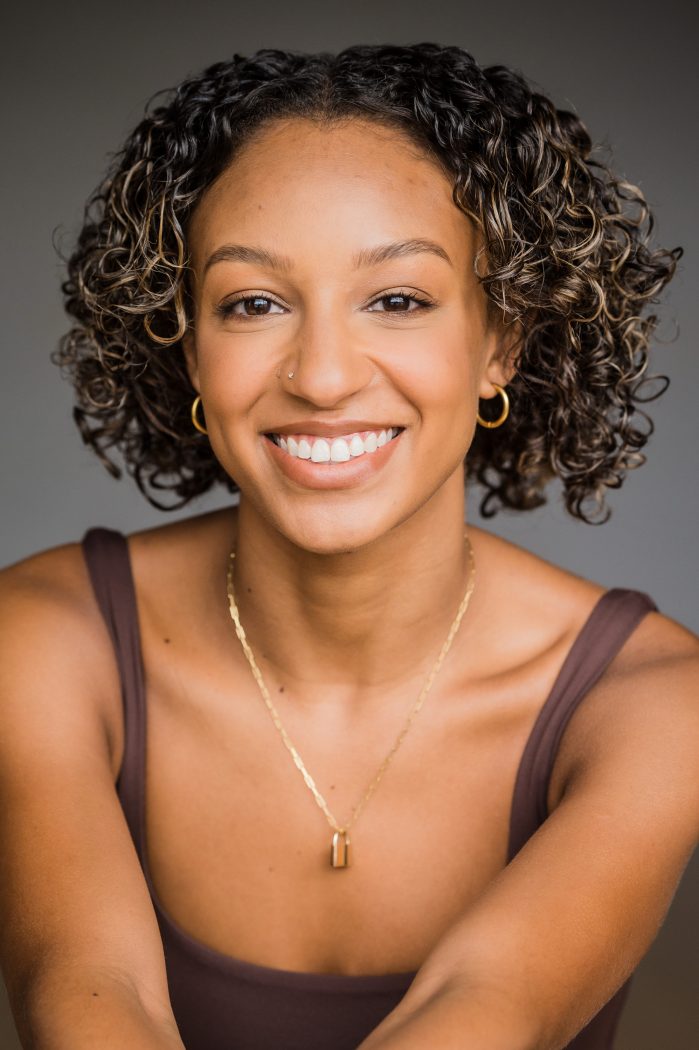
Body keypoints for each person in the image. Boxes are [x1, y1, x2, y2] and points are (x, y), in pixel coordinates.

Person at [0, 42, 697, 1050]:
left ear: (501, 337)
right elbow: (89, 993)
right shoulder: (41, 644)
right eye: (254, 304)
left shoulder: (653, 703)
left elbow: (483, 1015)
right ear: (191, 344)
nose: (323, 376)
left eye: (399, 299)